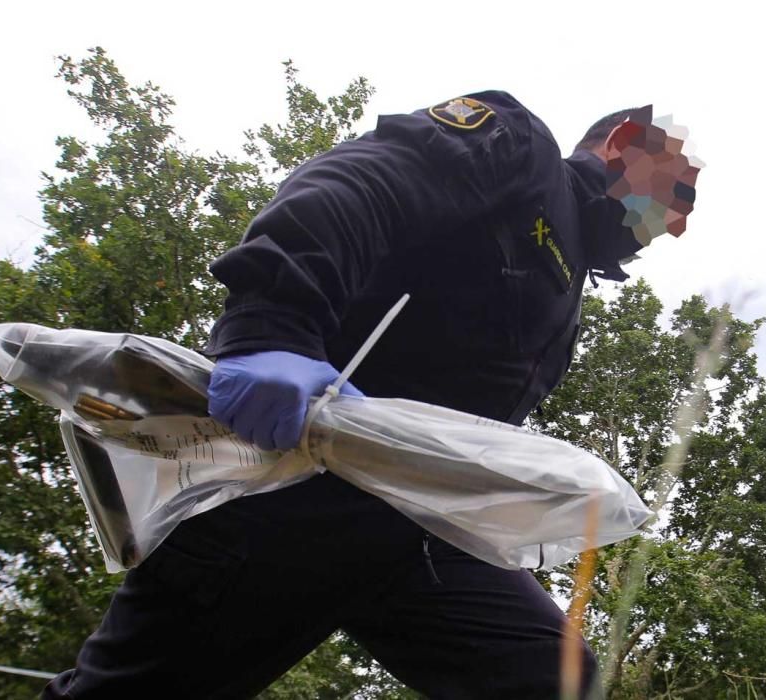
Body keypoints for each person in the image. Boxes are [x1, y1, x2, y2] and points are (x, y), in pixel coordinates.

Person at [43, 91, 699, 699]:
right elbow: (363, 180)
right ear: (622, 142)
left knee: (555, 680)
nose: (673, 225)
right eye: (674, 196)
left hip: (422, 523)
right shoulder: (519, 148)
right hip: (288, 481)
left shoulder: (568, 296)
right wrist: (273, 325)